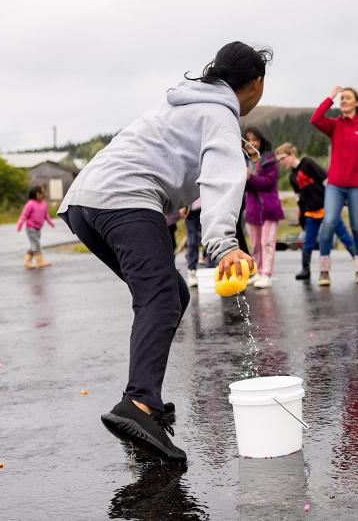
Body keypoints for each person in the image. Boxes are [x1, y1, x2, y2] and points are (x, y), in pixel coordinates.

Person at [58, 41, 267, 463]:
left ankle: (146, 404)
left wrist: (231, 151)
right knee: (159, 296)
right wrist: (224, 245)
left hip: (85, 203)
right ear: (256, 83)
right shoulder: (221, 114)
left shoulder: (187, 102)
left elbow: (176, 156)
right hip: (126, 200)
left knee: (172, 293)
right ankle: (138, 404)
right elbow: (222, 182)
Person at [310, 85, 358, 286]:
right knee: (328, 223)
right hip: (335, 185)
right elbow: (315, 119)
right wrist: (330, 97)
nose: (343, 100)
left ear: (357, 103)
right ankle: (324, 272)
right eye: (341, 98)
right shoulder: (335, 125)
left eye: (347, 98)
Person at [275, 142, 355, 280]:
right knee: (308, 241)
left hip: (327, 208)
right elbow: (299, 197)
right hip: (311, 213)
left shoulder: (307, 163)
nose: (281, 162)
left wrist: (338, 199)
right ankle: (305, 270)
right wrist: (301, 216)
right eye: (279, 161)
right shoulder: (292, 177)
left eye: (283, 158)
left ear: (292, 154)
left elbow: (325, 179)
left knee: (343, 235)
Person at [242, 127, 284, 289]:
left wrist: (250, 178)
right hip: (252, 208)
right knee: (255, 244)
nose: (251, 143)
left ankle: (267, 274)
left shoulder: (269, 160)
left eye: (255, 139)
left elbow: (269, 183)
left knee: (267, 242)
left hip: (269, 208)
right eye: (248, 140)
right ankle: (258, 272)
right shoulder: (242, 161)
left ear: (260, 142)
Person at [16, 184, 55, 269]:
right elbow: (24, 215)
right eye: (42, 193)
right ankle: (40, 262)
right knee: (36, 245)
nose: (44, 195)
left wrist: (50, 222)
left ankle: (27, 262)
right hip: (30, 228)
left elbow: (46, 215)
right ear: (37, 194)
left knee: (33, 245)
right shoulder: (30, 204)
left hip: (38, 229)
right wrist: (20, 224)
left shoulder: (44, 204)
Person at [180, 199, 202, 287]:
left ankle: (211, 269)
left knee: (209, 239)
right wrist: (182, 205)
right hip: (190, 211)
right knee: (192, 241)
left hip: (206, 208)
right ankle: (192, 271)